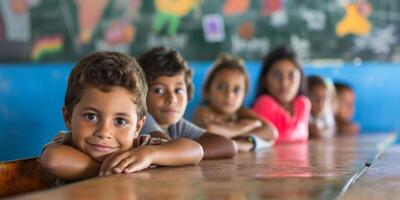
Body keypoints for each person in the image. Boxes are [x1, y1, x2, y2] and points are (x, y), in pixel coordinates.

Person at [39, 52, 203, 185]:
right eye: (91, 116)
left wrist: (151, 154)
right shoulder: (70, 147)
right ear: (68, 117)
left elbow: (195, 151)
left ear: (138, 127)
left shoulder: (138, 149)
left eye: (120, 121)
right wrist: (121, 170)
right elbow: (52, 160)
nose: (104, 132)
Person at [138, 47, 237, 158]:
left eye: (178, 90)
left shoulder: (175, 125)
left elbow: (227, 146)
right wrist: (182, 152)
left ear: (188, 92)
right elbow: (169, 150)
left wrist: (187, 152)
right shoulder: (142, 120)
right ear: (142, 94)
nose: (171, 99)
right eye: (158, 90)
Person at [193, 53, 277, 152]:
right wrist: (243, 128)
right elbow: (210, 130)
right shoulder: (202, 111)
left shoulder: (239, 111)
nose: (229, 95)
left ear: (244, 95)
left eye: (236, 90)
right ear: (206, 91)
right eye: (221, 87)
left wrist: (235, 133)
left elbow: (271, 132)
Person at [252, 46, 311, 143]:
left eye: (291, 76)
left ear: (301, 79)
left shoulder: (303, 104)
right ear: (264, 80)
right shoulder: (264, 104)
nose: (284, 83)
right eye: (277, 75)